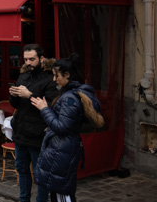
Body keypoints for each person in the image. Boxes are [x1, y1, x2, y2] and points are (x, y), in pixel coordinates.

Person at [31, 54, 104, 202]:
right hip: (60, 149)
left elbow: (62, 127)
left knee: (62, 193)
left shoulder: (70, 99)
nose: (54, 79)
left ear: (67, 75)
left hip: (62, 150)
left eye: (56, 76)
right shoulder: (68, 94)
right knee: (57, 192)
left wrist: (44, 109)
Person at [9, 44, 59, 202]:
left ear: (42, 59)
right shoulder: (23, 75)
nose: (28, 63)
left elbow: (50, 106)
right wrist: (14, 95)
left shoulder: (51, 79)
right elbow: (16, 105)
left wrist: (29, 94)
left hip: (38, 134)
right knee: (21, 169)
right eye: (26, 59)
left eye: (32, 59)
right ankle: (24, 199)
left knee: (40, 173)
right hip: (21, 131)